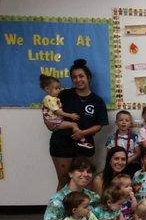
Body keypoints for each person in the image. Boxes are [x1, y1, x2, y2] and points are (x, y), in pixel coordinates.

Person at [45, 59, 109, 190]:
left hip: (84, 145)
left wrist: (82, 133)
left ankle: (81, 210)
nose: (78, 80)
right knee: (64, 180)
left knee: (84, 181)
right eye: (74, 77)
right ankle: (59, 210)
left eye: (81, 76)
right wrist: (48, 122)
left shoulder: (97, 101)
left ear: (88, 77)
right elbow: (48, 109)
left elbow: (99, 125)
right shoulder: (63, 95)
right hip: (61, 144)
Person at [40, 74, 83, 146]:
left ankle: (80, 140)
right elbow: (57, 111)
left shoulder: (54, 98)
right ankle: (82, 140)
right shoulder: (49, 99)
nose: (59, 90)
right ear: (47, 89)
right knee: (74, 124)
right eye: (56, 88)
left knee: (73, 125)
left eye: (59, 88)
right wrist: (70, 115)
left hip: (56, 121)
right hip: (54, 122)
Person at [104, 110, 140, 175]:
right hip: (117, 165)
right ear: (116, 122)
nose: (124, 122)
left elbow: (137, 153)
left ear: (130, 123)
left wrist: (127, 161)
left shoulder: (134, 136)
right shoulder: (111, 138)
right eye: (121, 120)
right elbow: (109, 154)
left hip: (131, 164)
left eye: (127, 120)